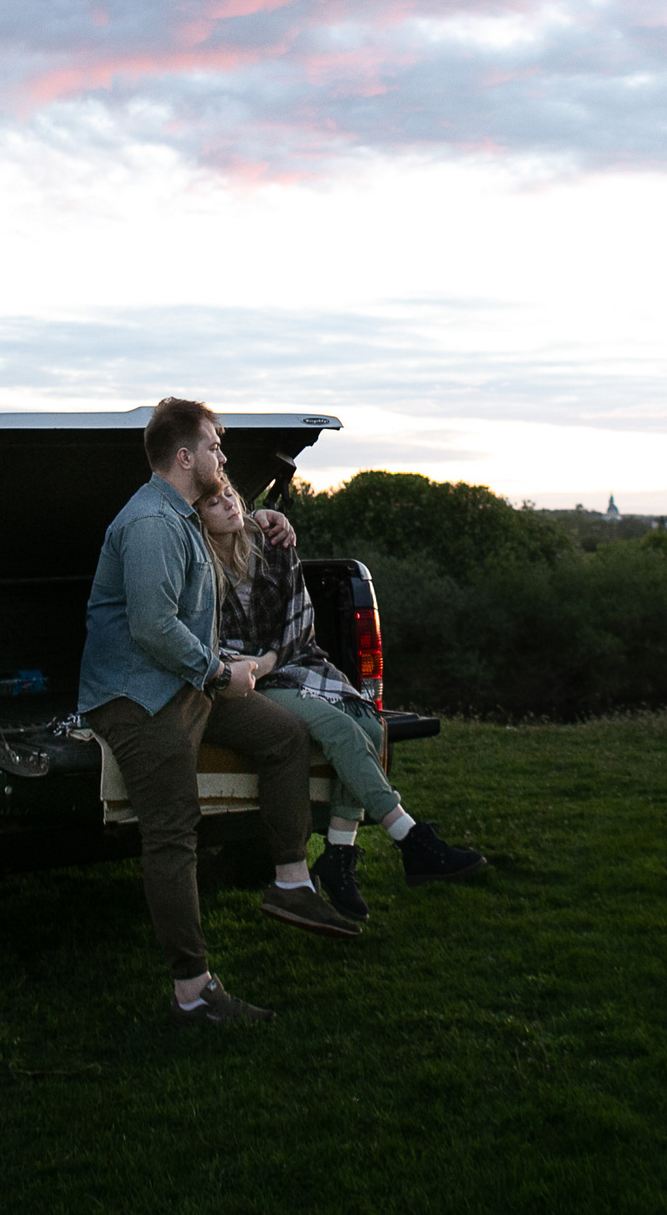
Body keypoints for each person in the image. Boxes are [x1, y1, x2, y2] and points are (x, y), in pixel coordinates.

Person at [78, 398, 362, 1027]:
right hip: (138, 696)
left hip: (188, 685)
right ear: (185, 457)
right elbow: (153, 627)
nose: (223, 457)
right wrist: (216, 672)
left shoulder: (182, 516)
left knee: (284, 736)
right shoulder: (151, 524)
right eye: (214, 446)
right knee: (175, 830)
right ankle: (192, 991)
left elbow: (224, 536)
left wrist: (263, 519)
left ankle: (291, 882)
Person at [198, 478, 488, 921]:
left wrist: (270, 659)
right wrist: (255, 668)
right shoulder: (194, 563)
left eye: (230, 495)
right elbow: (208, 646)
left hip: (290, 664)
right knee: (339, 728)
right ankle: (411, 840)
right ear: (196, 515)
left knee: (371, 726)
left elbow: (300, 621)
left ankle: (337, 857)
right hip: (243, 683)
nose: (227, 504)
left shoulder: (271, 543)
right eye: (212, 501)